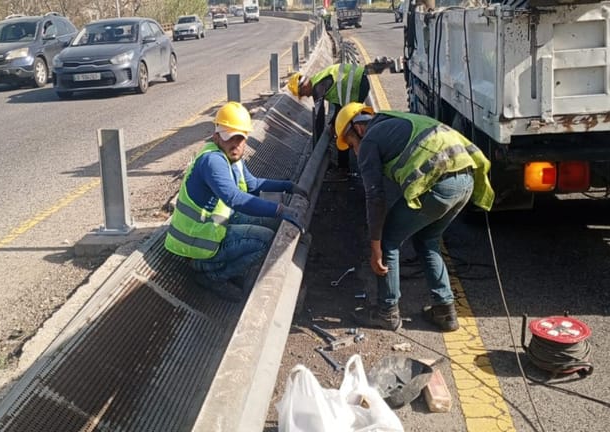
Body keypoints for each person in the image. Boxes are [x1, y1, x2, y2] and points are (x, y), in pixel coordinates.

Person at [334, 103, 494, 332]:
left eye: (351, 145)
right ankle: (445, 311)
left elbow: (375, 197)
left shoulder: (369, 141)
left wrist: (375, 246)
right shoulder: (396, 120)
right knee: (427, 239)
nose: (355, 152)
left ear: (358, 129)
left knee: (388, 240)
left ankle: (387, 312)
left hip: (440, 185)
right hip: (466, 180)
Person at [164, 101, 308, 302]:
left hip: (214, 226)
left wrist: (288, 186)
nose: (236, 143)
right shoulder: (212, 161)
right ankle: (212, 275)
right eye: (230, 137)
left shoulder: (232, 157)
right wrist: (280, 209)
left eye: (240, 138)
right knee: (265, 239)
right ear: (217, 136)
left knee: (273, 223)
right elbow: (235, 198)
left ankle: (229, 266)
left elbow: (252, 184)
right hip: (197, 243)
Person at [288, 63, 370, 180]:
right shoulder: (318, 80)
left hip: (357, 84)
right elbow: (338, 104)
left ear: (304, 86)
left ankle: (344, 168)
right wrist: (332, 123)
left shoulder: (317, 88)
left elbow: (319, 117)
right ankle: (362, 156)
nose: (306, 96)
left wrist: (317, 146)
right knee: (346, 124)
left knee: (344, 130)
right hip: (359, 82)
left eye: (302, 94)